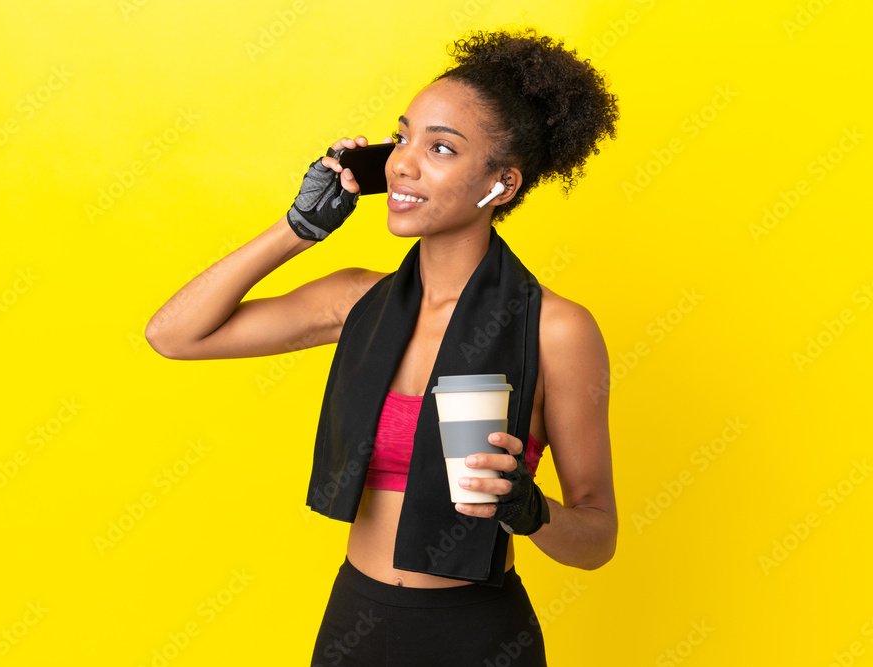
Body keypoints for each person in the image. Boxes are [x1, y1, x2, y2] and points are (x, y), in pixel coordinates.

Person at [146, 27, 619, 667]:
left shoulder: (556, 329)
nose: (401, 162)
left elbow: (596, 540)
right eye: (401, 137)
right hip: (356, 625)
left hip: (478, 637)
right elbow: (173, 335)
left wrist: (529, 509)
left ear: (500, 185)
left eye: (441, 148)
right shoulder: (353, 302)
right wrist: (297, 229)